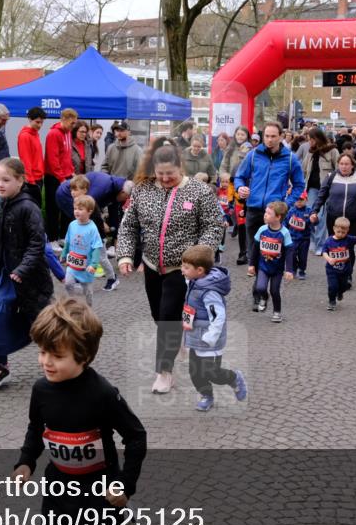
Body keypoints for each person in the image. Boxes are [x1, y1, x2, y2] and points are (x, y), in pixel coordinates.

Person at [12, 298, 146, 525]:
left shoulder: (102, 393)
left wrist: (125, 485)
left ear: (83, 355)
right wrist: (26, 462)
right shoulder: (41, 390)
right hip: (59, 490)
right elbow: (36, 428)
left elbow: (136, 436)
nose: (46, 362)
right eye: (42, 352)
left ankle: (117, 523)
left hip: (100, 493)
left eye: (56, 355)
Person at [117, 144, 225, 394]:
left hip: (183, 268)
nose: (165, 179)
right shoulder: (143, 190)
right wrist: (125, 255)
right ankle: (177, 340)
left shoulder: (199, 191)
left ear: (181, 167)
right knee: (159, 316)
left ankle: (164, 372)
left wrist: (200, 256)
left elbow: (213, 226)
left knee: (168, 318)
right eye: (160, 173)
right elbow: (128, 226)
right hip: (152, 265)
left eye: (170, 174)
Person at [0, 157, 53, 387]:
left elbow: (37, 244)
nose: (0, 184)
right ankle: (2, 365)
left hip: (29, 277)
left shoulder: (29, 208)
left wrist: (22, 269)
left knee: (42, 323)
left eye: (6, 180)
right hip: (3, 275)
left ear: (20, 181)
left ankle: (57, 360)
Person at [233, 121, 305, 279]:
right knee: (253, 253)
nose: (270, 139)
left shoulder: (291, 159)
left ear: (281, 137)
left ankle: (267, 286)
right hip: (253, 209)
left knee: (270, 254)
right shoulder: (253, 155)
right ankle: (258, 291)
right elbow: (239, 176)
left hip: (274, 213)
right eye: (267, 136)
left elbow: (300, 185)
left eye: (273, 136)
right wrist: (240, 188)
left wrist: (286, 203)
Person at [180, 244, 248, 411]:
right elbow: (190, 299)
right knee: (195, 373)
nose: (182, 270)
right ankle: (207, 396)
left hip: (209, 340)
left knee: (212, 373)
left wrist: (210, 337)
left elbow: (219, 317)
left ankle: (234, 378)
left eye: (186, 267)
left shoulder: (210, 292)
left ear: (200, 270)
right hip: (196, 336)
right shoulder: (194, 281)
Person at [60, 174, 123, 291]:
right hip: (84, 238)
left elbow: (98, 221)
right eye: (71, 190)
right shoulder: (76, 202)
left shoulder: (90, 202)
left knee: (102, 258)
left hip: (97, 237)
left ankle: (112, 278)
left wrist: (99, 237)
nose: (72, 192)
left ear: (84, 190)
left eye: (75, 189)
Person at [310, 151, 356, 268]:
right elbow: (321, 196)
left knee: (348, 246)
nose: (344, 166)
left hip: (352, 219)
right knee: (334, 245)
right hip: (334, 218)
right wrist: (314, 211)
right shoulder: (331, 177)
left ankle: (348, 274)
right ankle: (334, 269)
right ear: (338, 164)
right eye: (341, 164)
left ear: (352, 165)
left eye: (347, 164)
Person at [251, 200, 294, 322]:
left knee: (275, 291)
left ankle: (277, 312)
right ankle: (264, 297)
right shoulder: (262, 230)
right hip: (263, 267)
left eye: (269, 213)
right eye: (265, 212)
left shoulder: (284, 233)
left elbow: (290, 251)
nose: (265, 215)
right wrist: (251, 265)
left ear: (278, 217)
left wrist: (289, 270)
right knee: (260, 288)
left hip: (277, 269)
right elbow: (255, 248)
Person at [60, 194, 104, 306]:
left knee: (87, 290)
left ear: (89, 211)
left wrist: (93, 264)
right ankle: (73, 304)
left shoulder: (92, 229)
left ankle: (89, 308)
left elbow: (96, 248)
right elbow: (67, 242)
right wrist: (64, 254)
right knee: (68, 284)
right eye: (75, 208)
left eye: (80, 209)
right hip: (72, 264)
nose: (76, 211)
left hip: (86, 266)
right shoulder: (72, 225)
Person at [303, 128, 340, 251]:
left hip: (326, 190)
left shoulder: (332, 151)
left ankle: (320, 245)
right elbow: (303, 170)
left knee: (320, 216)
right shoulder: (310, 152)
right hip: (311, 188)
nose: (309, 142)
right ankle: (313, 240)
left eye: (311, 139)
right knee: (310, 215)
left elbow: (338, 170)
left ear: (317, 138)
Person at [44, 109, 77, 240]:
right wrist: (61, 178)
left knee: (67, 207)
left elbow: (66, 156)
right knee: (53, 208)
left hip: (66, 176)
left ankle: (63, 237)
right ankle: (52, 239)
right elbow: (53, 159)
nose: (73, 126)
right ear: (63, 119)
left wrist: (71, 171)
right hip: (54, 177)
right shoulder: (53, 134)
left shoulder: (68, 133)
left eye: (75, 123)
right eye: (72, 123)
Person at [322, 216, 356, 311]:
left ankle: (340, 292)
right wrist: (328, 259)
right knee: (332, 286)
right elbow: (324, 252)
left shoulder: (348, 239)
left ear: (347, 230)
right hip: (332, 270)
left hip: (345, 270)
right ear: (334, 229)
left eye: (343, 232)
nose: (340, 234)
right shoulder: (329, 241)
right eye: (338, 232)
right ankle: (332, 301)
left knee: (344, 286)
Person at [18, 107, 46, 205]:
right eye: (37, 122)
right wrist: (30, 181)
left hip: (38, 177)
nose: (40, 125)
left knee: (36, 207)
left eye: (42, 122)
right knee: (32, 207)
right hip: (32, 179)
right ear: (30, 119)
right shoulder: (25, 136)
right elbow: (25, 160)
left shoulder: (35, 134)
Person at [284, 191, 313, 279]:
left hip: (304, 238)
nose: (299, 202)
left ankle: (302, 270)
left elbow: (314, 222)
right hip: (292, 238)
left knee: (303, 256)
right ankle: (293, 268)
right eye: (297, 200)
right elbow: (286, 222)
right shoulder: (291, 211)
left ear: (306, 200)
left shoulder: (309, 211)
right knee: (291, 254)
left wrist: (313, 220)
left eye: (301, 200)